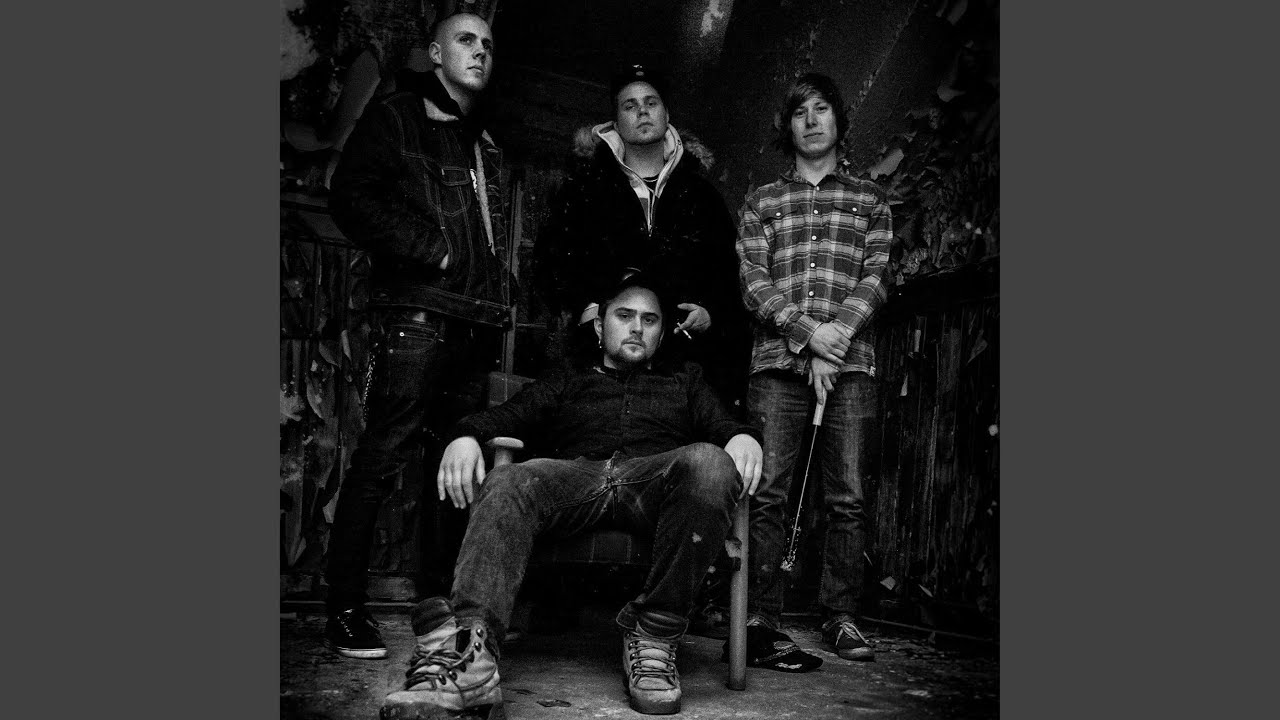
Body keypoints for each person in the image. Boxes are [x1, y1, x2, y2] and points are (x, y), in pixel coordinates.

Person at [381, 271, 763, 716]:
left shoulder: (685, 379)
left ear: (662, 334)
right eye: (624, 316)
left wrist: (743, 437)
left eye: (649, 320)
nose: (637, 328)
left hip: (650, 486)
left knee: (710, 461)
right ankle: (472, 658)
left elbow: (723, 425)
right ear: (600, 326)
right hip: (577, 481)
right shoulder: (568, 376)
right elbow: (509, 416)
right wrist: (465, 435)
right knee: (509, 479)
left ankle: (655, 636)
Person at [322, 11, 514, 660]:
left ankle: (436, 605)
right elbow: (349, 195)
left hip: (471, 323)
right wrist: (431, 250)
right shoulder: (400, 116)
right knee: (384, 456)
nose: (480, 52)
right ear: (435, 52)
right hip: (417, 319)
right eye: (466, 40)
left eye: (488, 44)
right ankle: (344, 608)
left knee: (453, 467)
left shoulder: (482, 137)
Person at [734, 72, 894, 670]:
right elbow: (754, 282)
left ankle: (840, 615)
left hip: (850, 366)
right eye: (800, 111)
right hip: (777, 365)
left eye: (822, 108)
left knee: (847, 496)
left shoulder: (870, 200)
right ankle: (759, 614)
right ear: (788, 127)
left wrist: (836, 339)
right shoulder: (762, 201)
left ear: (838, 120)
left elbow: (877, 276)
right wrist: (810, 336)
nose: (811, 120)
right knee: (768, 492)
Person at [533, 64, 749, 410]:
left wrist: (711, 313)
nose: (642, 111)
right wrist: (588, 309)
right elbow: (551, 259)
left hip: (684, 360)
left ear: (667, 115)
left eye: (651, 103)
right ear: (616, 123)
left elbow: (729, 270)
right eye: (630, 105)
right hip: (598, 359)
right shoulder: (584, 188)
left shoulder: (701, 194)